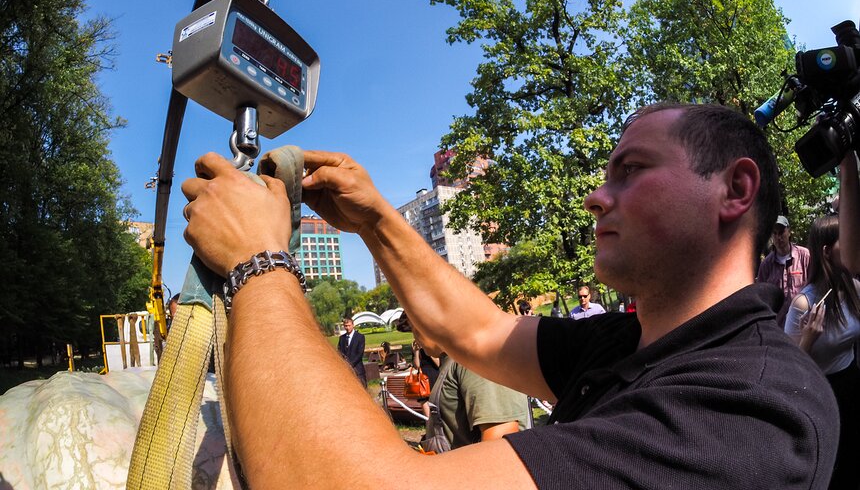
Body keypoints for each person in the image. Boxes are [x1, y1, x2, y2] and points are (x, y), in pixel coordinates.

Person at [181, 103, 838, 488]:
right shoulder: (633, 344)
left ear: (735, 190)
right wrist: (377, 218)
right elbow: (480, 333)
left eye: (631, 171)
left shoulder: (754, 406)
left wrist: (258, 263)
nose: (595, 196)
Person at [785, 214, 860, 490]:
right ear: (827, 251)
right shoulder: (804, 303)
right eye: (847, 239)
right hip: (821, 393)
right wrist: (808, 339)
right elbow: (789, 371)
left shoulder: (854, 289)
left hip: (852, 384)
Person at [398, 312, 528, 450]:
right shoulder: (454, 360)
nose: (415, 338)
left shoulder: (476, 360)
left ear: (433, 324)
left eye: (414, 328)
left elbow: (500, 440)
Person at [756, 215, 810, 326]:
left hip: (803, 324)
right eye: (774, 233)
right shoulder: (766, 265)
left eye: (781, 232)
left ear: (789, 232)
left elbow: (815, 286)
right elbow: (761, 297)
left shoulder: (805, 256)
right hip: (777, 326)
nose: (778, 237)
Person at [411, 339, 440, 418]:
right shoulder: (415, 343)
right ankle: (429, 421)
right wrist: (416, 352)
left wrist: (428, 350)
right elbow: (417, 365)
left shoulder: (434, 343)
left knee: (438, 398)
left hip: (435, 374)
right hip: (423, 375)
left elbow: (438, 364)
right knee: (423, 400)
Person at [337, 317, 367, 387]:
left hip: (358, 370)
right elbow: (339, 353)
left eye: (349, 325)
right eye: (346, 326)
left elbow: (360, 354)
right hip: (345, 371)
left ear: (353, 325)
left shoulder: (360, 337)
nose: (347, 328)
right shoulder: (342, 338)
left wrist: (350, 364)